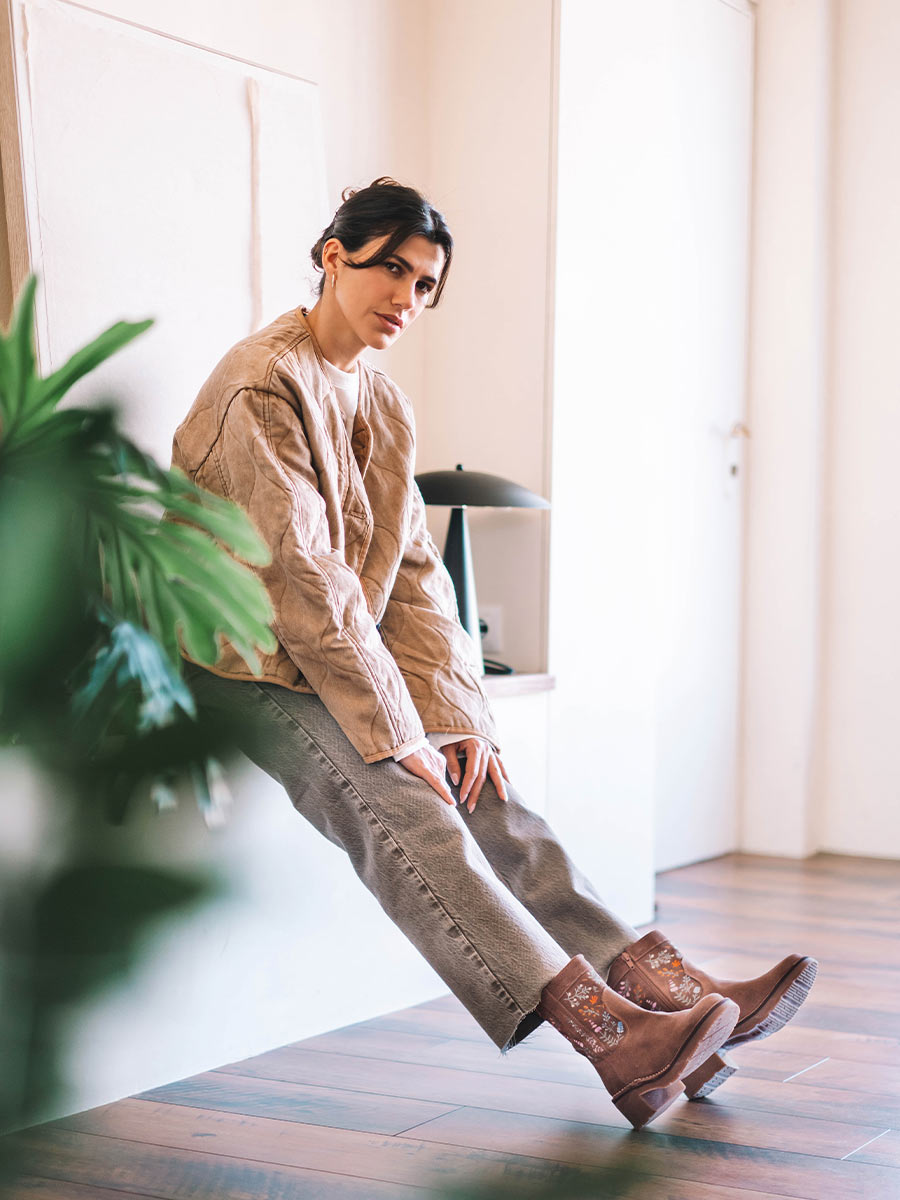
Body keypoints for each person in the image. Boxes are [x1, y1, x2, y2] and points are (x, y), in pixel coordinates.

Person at [171, 177, 817, 1130]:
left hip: (321, 649)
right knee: (405, 800)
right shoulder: (261, 384)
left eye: (425, 283)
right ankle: (615, 1040)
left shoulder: (382, 402)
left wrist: (458, 718)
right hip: (240, 659)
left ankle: (669, 999)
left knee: (483, 787)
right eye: (390, 266)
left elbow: (415, 577)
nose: (406, 296)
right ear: (333, 255)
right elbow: (307, 587)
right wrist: (399, 734)